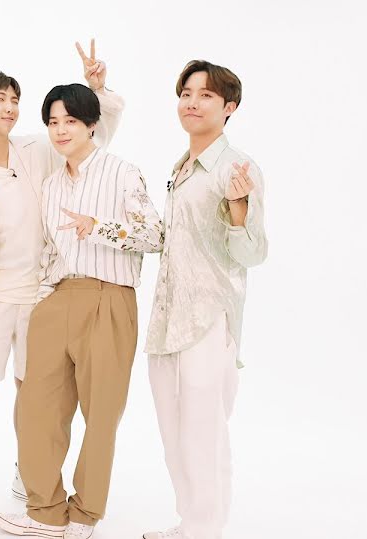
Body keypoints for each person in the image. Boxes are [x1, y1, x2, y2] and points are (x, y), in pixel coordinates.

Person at [0, 40, 125, 529]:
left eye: (14, 99)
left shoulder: (35, 150)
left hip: (39, 293)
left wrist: (97, 91)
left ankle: (27, 473)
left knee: (34, 393)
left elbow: (93, 136)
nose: (10, 107)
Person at [0, 82, 163, 539]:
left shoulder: (121, 172)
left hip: (109, 298)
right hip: (57, 298)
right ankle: (45, 512)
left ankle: (85, 515)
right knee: (37, 409)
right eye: (53, 122)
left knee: (101, 414)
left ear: (92, 125)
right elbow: (51, 250)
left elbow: (155, 235)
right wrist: (42, 299)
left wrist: (99, 228)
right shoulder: (51, 186)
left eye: (70, 120)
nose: (60, 130)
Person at [142, 60, 267, 539]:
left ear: (229, 107)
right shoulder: (181, 167)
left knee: (203, 432)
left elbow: (253, 253)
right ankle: (191, 523)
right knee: (173, 432)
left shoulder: (237, 168)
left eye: (206, 95)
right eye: (186, 94)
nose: (192, 103)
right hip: (167, 316)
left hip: (209, 317)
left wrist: (238, 209)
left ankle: (204, 530)